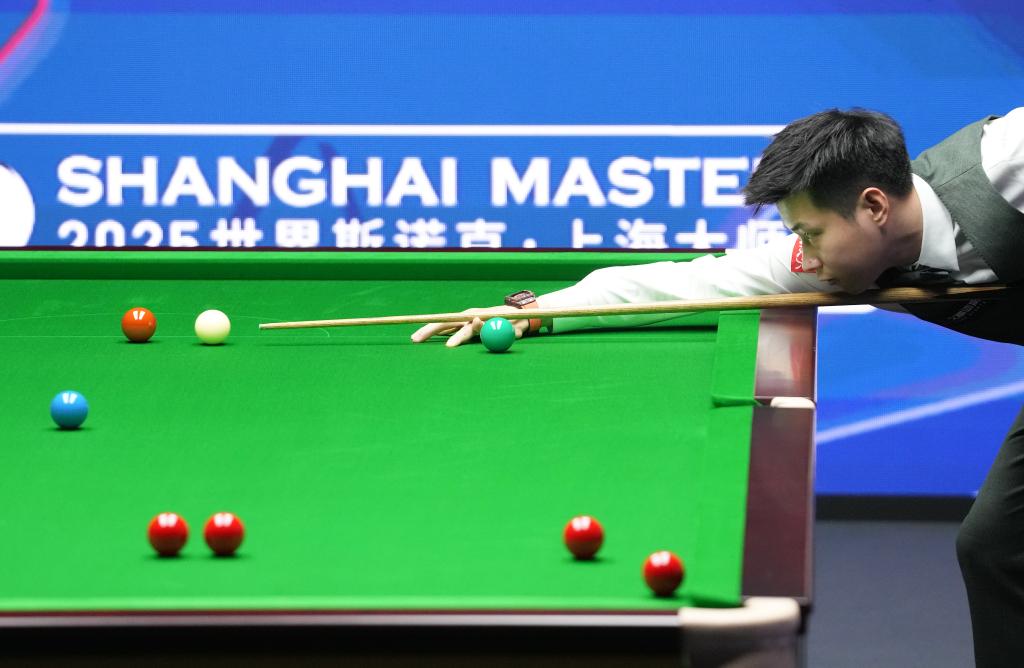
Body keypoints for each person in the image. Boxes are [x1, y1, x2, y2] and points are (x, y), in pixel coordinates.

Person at [412, 107, 1024, 666]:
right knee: (992, 547)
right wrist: (536, 310)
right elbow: (690, 284)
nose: (804, 256)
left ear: (873, 207)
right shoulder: (827, 261)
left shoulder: (1008, 161)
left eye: (811, 233)